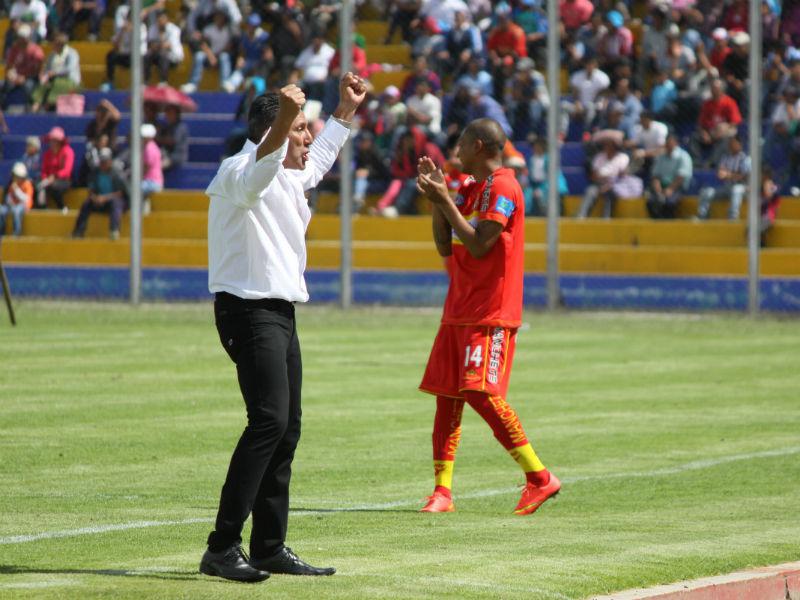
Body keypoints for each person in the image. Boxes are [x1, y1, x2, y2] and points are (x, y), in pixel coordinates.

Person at [200, 72, 366, 583]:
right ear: (273, 130)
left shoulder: (287, 172)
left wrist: (343, 112)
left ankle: (268, 545)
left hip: (278, 311)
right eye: (299, 130)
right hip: (247, 311)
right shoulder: (239, 169)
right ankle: (222, 547)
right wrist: (284, 125)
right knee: (268, 420)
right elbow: (263, 165)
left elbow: (313, 163)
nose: (307, 139)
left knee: (286, 425)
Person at [414, 117, 560, 515]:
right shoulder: (470, 187)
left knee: (480, 392)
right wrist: (437, 198)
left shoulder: (504, 187)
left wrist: (444, 199)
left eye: (460, 143)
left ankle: (539, 477)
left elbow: (480, 246)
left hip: (491, 311)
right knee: (447, 398)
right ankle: (442, 492)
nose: (455, 151)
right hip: (458, 309)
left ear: (478, 145)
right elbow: (446, 245)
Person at [71, 148, 128, 240]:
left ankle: (114, 231)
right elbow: (91, 189)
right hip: (99, 201)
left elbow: (121, 192)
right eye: (102, 161)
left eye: (105, 161)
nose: (103, 164)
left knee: (116, 204)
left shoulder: (117, 173)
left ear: (110, 161)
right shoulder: (95, 172)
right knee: (86, 204)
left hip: (113, 200)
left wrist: (105, 198)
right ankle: (78, 231)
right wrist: (95, 198)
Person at [696, 135, 750, 220]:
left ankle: (733, 217)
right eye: (730, 143)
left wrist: (729, 175)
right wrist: (724, 174)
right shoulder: (725, 158)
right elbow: (720, 173)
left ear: (740, 144)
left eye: (733, 143)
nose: (731, 145)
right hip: (726, 187)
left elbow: (746, 176)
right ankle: (702, 216)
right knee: (707, 192)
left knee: (736, 190)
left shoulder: (745, 158)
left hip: (743, 188)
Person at [576, 137, 630, 219]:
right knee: (590, 191)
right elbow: (594, 175)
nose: (606, 147)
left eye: (609, 145)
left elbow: (622, 175)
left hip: (616, 184)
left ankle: (606, 219)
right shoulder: (599, 157)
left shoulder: (623, 157)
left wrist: (608, 181)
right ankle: (581, 217)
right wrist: (604, 180)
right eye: (605, 145)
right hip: (599, 183)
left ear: (615, 147)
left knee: (610, 194)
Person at [182, 9, 232, 94]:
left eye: (221, 17)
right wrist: (211, 56)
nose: (219, 18)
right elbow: (203, 44)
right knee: (199, 56)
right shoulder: (209, 29)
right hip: (208, 56)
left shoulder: (227, 31)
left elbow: (228, 47)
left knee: (225, 56)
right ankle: (193, 84)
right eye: (218, 16)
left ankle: (224, 84)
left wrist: (217, 56)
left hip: (219, 57)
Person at [645, 132, 693, 219]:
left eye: (670, 142)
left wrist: (670, 189)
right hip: (662, 186)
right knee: (651, 202)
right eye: (667, 142)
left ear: (676, 143)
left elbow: (681, 176)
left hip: (677, 187)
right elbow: (655, 175)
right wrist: (658, 190)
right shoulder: (660, 157)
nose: (668, 144)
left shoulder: (684, 156)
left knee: (670, 203)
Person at [31, 32, 81, 113]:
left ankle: (47, 104)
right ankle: (37, 104)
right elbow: (47, 68)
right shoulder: (52, 55)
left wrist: (55, 73)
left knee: (55, 83)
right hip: (54, 79)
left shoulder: (72, 53)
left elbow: (69, 68)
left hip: (70, 80)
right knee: (44, 83)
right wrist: (44, 74)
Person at [0, 24, 44, 110]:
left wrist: (24, 77)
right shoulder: (14, 49)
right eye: (19, 37)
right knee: (4, 86)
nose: (20, 40)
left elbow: (37, 70)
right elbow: (9, 65)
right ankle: (3, 109)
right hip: (16, 76)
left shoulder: (36, 51)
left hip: (30, 77)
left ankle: (31, 109)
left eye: (22, 38)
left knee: (29, 87)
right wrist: (11, 74)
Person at [37, 126, 74, 213]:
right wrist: (45, 178)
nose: (52, 143)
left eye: (55, 140)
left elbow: (67, 170)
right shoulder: (47, 154)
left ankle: (62, 207)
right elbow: (44, 170)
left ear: (60, 142)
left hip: (64, 180)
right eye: (51, 140)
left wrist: (54, 177)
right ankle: (41, 207)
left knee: (53, 187)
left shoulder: (68, 151)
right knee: (37, 185)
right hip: (49, 180)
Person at [144, 11, 184, 86]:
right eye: (159, 20)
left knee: (163, 55)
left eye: (163, 20)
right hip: (158, 55)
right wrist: (158, 44)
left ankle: (163, 82)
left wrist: (161, 36)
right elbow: (151, 45)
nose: (161, 22)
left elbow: (167, 46)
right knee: (147, 56)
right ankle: (146, 82)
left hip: (174, 57)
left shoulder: (174, 29)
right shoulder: (153, 28)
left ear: (167, 20)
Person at [0, 162, 34, 236]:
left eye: (19, 176)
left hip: (22, 206)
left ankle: (16, 234)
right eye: (15, 176)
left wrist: (16, 190)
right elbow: (8, 198)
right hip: (12, 206)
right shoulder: (12, 184)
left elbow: (26, 199)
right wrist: (10, 201)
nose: (17, 178)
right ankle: (1, 232)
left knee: (17, 211)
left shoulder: (27, 184)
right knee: (1, 210)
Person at [156, 105, 189, 171]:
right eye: (166, 113)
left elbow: (172, 141)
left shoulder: (181, 127)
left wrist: (158, 139)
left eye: (170, 113)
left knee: (158, 166)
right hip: (166, 155)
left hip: (177, 156)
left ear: (176, 114)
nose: (167, 115)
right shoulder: (168, 127)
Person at [141, 123, 163, 214]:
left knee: (133, 188)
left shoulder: (149, 148)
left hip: (151, 182)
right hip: (153, 181)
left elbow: (147, 166)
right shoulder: (153, 146)